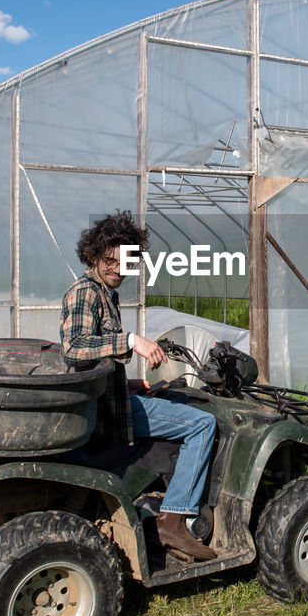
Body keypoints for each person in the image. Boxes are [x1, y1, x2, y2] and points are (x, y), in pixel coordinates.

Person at [60, 211, 218, 562]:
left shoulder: (105, 294)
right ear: (92, 256)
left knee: (177, 403)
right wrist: (131, 340)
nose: (118, 268)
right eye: (109, 260)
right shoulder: (85, 293)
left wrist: (126, 382)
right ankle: (175, 520)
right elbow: (74, 347)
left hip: (111, 398)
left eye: (125, 261)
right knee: (203, 424)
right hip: (105, 414)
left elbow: (94, 359)